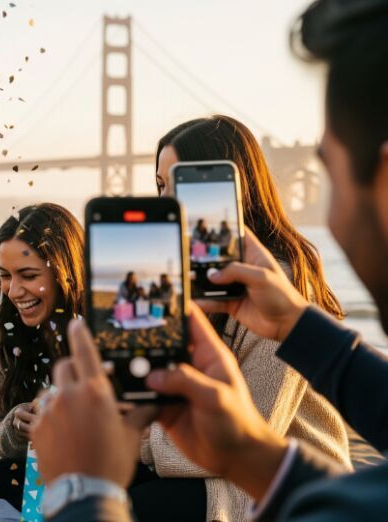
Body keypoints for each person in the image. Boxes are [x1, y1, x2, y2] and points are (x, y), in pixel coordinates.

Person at [35, 1, 388, 520]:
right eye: (161, 188)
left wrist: (84, 489)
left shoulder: (284, 274)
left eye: (329, 174)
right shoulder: (251, 294)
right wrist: (297, 326)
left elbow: (254, 439)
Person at [134, 114, 352, 521]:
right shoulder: (185, 276)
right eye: (161, 186)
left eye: (179, 187)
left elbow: (254, 434)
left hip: (288, 489)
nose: (164, 203)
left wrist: (141, 441)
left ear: (232, 194)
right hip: (203, 466)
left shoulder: (280, 282)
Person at [0, 203, 85, 509]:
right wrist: (16, 426)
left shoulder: (105, 323)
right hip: (37, 474)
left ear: (64, 270)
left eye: (27, 275)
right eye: (5, 275)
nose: (13, 291)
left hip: (107, 472)